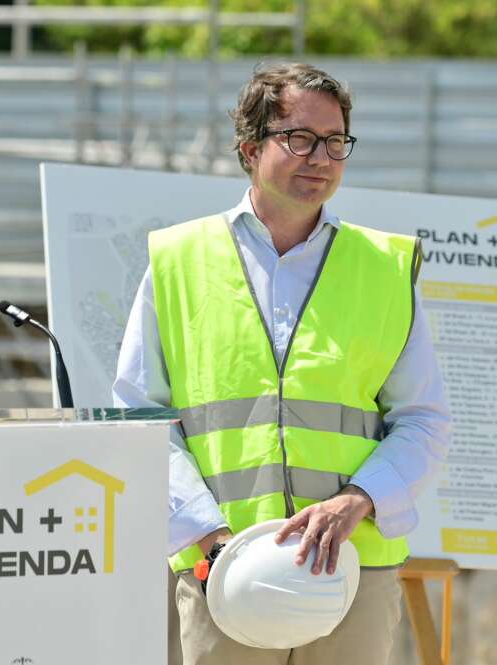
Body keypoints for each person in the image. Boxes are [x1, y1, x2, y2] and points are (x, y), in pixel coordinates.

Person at [113, 62, 451, 665]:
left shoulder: (386, 267)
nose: (320, 157)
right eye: (299, 138)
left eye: (335, 141)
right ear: (250, 148)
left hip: (352, 572)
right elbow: (138, 416)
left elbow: (423, 419)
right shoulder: (177, 260)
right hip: (219, 566)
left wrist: (360, 500)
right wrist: (206, 534)